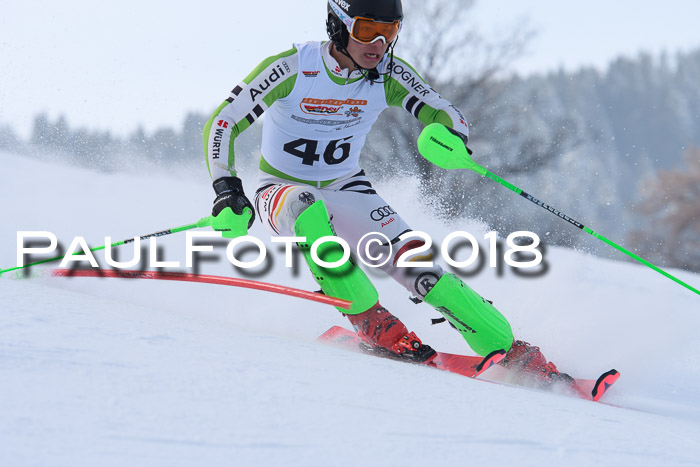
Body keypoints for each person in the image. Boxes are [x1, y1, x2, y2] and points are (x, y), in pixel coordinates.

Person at [202, 0, 566, 381]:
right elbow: (223, 121)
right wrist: (226, 187)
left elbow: (446, 112)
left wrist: (450, 135)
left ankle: (512, 351)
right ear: (338, 26)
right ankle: (370, 320)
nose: (377, 42)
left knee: (418, 267)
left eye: (389, 31)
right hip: (281, 189)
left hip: (347, 187)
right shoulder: (293, 67)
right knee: (306, 209)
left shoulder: (388, 73)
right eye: (365, 30)